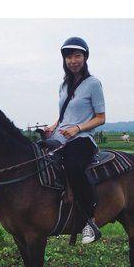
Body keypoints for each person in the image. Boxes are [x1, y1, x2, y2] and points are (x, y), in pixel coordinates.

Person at [44, 36, 106, 244]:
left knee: (73, 168)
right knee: (35, 158)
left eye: (77, 55)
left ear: (85, 57)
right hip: (60, 137)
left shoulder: (93, 84)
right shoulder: (63, 85)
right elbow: (64, 115)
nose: (73, 60)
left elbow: (101, 118)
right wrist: (53, 127)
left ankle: (90, 220)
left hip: (82, 139)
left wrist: (78, 128)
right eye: (69, 56)